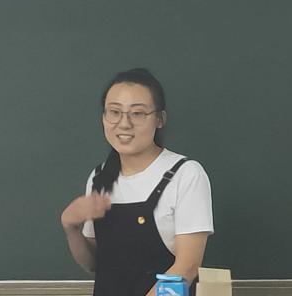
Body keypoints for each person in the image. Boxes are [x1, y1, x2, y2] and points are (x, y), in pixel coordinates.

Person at [60, 68, 213, 296]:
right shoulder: (99, 177)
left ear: (160, 119)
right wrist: (71, 227)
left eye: (138, 113)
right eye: (114, 112)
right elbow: (94, 264)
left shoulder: (186, 174)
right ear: (103, 117)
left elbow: (187, 267)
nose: (124, 123)